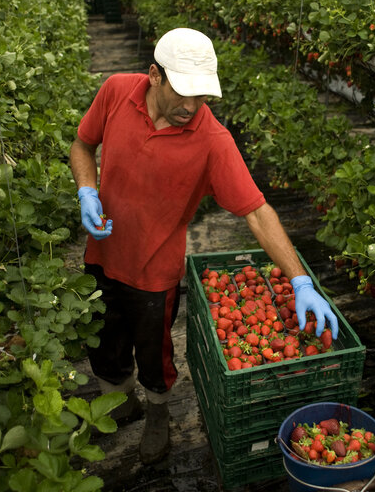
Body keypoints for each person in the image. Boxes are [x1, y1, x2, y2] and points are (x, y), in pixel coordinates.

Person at [69, 27, 338, 465]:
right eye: (184, 93)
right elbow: (82, 144)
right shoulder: (116, 91)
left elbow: (256, 211)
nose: (192, 107)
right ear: (155, 75)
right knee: (103, 345)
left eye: (202, 96)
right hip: (101, 257)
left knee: (154, 356)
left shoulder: (213, 141)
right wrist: (87, 190)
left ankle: (157, 410)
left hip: (156, 273)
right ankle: (120, 403)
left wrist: (301, 279)